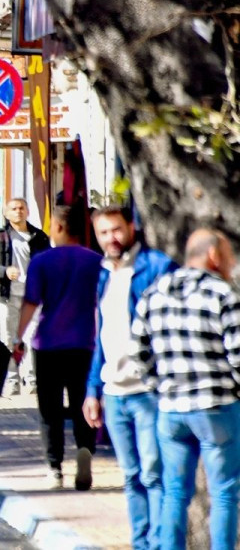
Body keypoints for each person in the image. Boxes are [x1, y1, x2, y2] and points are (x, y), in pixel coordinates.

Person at [130, 229, 240, 550]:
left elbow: (138, 352)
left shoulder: (153, 293)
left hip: (171, 409)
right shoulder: (223, 294)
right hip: (216, 406)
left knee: (174, 492)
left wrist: (159, 386)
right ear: (214, 255)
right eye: (230, 255)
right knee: (224, 491)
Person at [83, 204, 176, 550]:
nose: (112, 238)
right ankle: (141, 543)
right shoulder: (104, 272)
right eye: (104, 232)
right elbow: (102, 337)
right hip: (114, 392)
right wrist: (92, 389)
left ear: (131, 226)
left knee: (154, 474)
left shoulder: (155, 267)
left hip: (148, 391)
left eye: (117, 230)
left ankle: (159, 543)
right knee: (131, 475)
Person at [13, 205, 100, 490]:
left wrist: (18, 339)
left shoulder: (42, 261)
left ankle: (54, 468)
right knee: (82, 405)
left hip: (48, 344)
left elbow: (31, 302)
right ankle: (85, 450)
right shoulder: (96, 262)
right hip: (85, 344)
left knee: (49, 409)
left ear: (59, 227)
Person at [0, 197, 50, 394]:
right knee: (10, 337)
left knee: (33, 336)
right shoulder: (0, 236)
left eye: (21, 208)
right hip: (8, 295)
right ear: (6, 213)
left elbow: (48, 263)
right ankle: (12, 379)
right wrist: (5, 271)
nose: (18, 211)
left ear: (27, 211)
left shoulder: (39, 237)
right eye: (13, 208)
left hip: (33, 295)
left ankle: (32, 379)